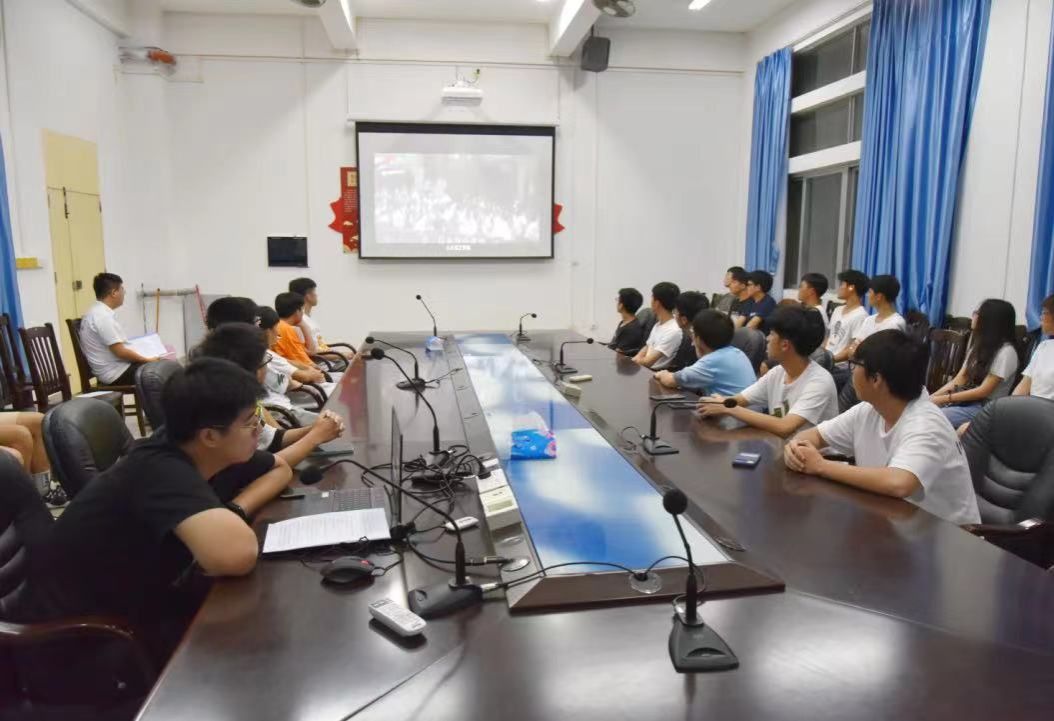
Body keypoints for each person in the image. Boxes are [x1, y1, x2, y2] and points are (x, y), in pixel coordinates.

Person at [18, 358, 293, 658]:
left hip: (142, 602)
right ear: (210, 436)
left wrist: (236, 509)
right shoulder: (160, 469)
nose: (259, 430)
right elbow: (236, 556)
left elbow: (280, 468)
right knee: (262, 642)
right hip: (80, 642)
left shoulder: (198, 447)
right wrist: (229, 521)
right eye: (251, 422)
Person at [784, 330, 980, 525]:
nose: (852, 372)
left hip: (950, 536)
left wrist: (820, 466)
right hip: (892, 522)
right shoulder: (869, 410)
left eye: (855, 365)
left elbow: (899, 483)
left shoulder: (927, 425)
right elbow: (814, 435)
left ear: (876, 379)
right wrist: (796, 451)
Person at [194, 322, 344, 467]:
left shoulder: (242, 399)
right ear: (254, 370)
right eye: (265, 360)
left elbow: (273, 439)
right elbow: (264, 469)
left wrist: (316, 430)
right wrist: (315, 437)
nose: (258, 428)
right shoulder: (226, 411)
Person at [697, 306, 836, 437]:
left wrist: (728, 408)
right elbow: (740, 400)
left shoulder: (819, 382)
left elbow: (785, 426)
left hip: (812, 453)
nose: (767, 338)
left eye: (772, 334)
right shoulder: (778, 372)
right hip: (780, 446)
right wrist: (718, 403)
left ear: (785, 345)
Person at [932, 299, 1019, 428]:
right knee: (926, 410)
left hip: (987, 408)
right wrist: (932, 397)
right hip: (967, 402)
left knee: (935, 417)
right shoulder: (979, 346)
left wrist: (942, 399)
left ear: (991, 321)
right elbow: (960, 379)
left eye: (977, 313)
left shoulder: (1007, 352)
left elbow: (983, 391)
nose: (973, 316)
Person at [836, 274, 907, 410]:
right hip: (858, 369)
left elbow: (882, 359)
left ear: (879, 296)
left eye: (870, 292)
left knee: (843, 402)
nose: (868, 296)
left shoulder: (895, 323)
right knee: (830, 378)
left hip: (875, 377)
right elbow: (853, 349)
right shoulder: (869, 320)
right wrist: (858, 352)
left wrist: (859, 352)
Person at [79, 272, 159, 385]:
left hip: (117, 367)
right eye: (122, 289)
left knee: (163, 366)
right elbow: (121, 352)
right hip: (116, 374)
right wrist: (147, 360)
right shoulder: (102, 317)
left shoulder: (96, 312)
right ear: (114, 293)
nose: (124, 293)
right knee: (161, 371)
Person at [655, 310, 756, 396]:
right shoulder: (738, 353)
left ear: (698, 339)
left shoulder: (711, 362)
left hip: (729, 413)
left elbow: (670, 381)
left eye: (693, 332)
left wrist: (662, 373)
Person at [258, 306, 328, 386]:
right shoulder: (265, 355)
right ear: (268, 332)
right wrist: (313, 372)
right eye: (276, 327)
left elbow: (285, 362)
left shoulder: (267, 353)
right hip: (301, 385)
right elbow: (291, 379)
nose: (278, 332)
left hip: (304, 377)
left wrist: (309, 369)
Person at [288, 278, 354, 360]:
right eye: (314, 292)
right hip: (322, 364)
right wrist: (341, 355)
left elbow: (321, 346)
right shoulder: (301, 322)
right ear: (308, 296)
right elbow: (312, 353)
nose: (316, 295)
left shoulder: (308, 319)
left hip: (328, 360)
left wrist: (341, 354)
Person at [825, 269, 869, 375]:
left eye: (842, 284)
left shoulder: (861, 315)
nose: (839, 288)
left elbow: (852, 348)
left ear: (851, 287)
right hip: (826, 361)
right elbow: (829, 338)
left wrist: (830, 360)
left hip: (840, 367)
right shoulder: (837, 310)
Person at [632, 282, 682, 370]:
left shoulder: (673, 330)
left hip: (653, 372)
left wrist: (634, 362)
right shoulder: (659, 324)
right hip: (642, 368)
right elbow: (647, 346)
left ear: (657, 303)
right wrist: (634, 359)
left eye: (652, 297)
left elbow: (648, 362)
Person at [1014, 294, 1054, 399]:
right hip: (1032, 406)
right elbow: (1023, 386)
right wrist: (1010, 405)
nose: (1041, 317)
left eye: (1044, 312)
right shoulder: (1044, 346)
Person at [272, 292, 319, 371]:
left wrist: (303, 326)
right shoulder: (286, 329)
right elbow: (306, 362)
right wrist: (304, 326)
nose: (302, 313)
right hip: (296, 372)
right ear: (297, 311)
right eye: (302, 309)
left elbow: (310, 352)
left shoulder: (276, 325)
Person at [669, 291, 710, 371]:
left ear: (684, 320)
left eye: (675, 312)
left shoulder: (703, 347)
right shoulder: (688, 338)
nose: (674, 315)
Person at [609, 287, 646, 355]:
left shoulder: (632, 329)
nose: (617, 302)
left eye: (618, 300)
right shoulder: (624, 323)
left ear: (621, 305)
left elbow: (620, 353)